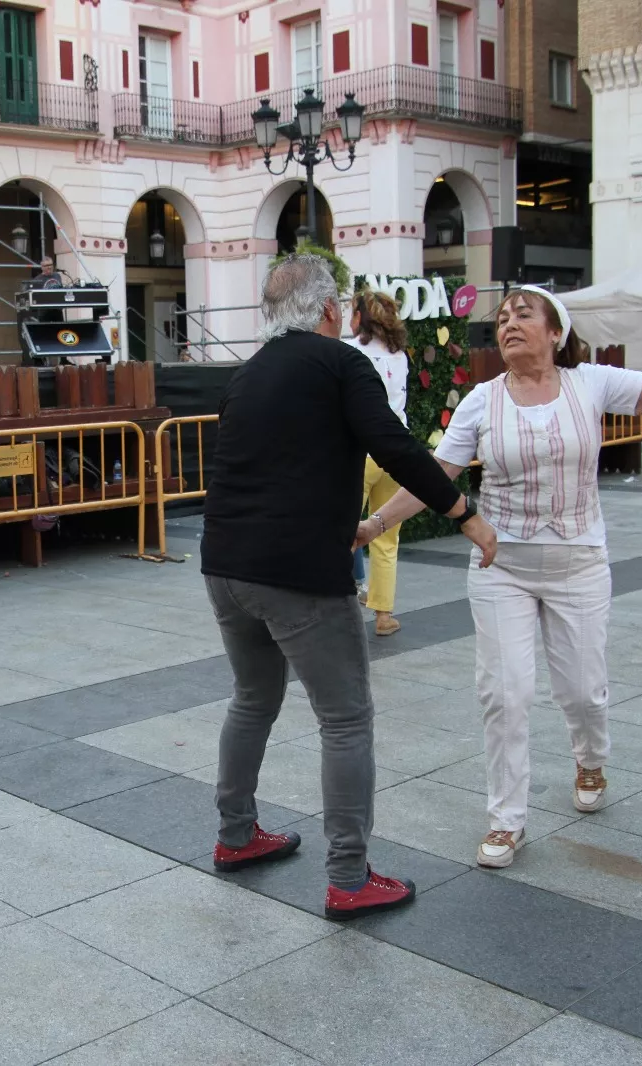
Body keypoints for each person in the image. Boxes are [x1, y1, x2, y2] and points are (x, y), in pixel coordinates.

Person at [358, 260, 642, 870]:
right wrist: (375, 525)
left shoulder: (590, 384)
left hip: (579, 563)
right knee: (505, 694)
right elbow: (437, 478)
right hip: (500, 566)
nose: (509, 323)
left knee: (583, 692)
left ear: (555, 332)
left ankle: (590, 755)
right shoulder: (482, 402)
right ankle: (506, 819)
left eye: (523, 314)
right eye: (503, 317)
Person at [201, 254, 497, 919]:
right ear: (331, 310)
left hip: (225, 566)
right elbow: (395, 446)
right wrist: (464, 515)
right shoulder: (341, 365)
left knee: (252, 699)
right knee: (346, 718)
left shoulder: (246, 376)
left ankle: (237, 836)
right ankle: (348, 875)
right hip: (299, 573)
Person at [348, 288, 412, 636]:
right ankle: (383, 615)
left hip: (360, 452)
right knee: (386, 535)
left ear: (361, 316)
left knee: (339, 529)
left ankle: (334, 606)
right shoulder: (399, 354)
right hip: (396, 450)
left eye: (351, 310)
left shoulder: (351, 351)